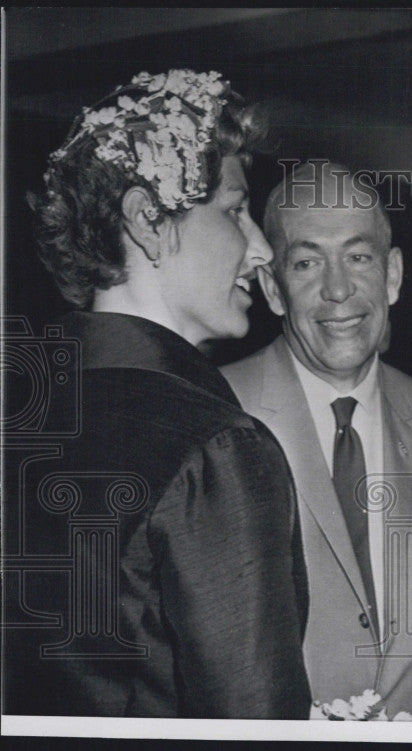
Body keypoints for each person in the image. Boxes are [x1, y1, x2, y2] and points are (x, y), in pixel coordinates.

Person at [3, 69, 311, 718]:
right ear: (148, 220)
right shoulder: (217, 450)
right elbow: (254, 723)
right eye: (234, 210)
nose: (260, 250)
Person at [221, 161, 412, 721]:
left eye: (359, 257)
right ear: (272, 288)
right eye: (306, 262)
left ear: (392, 275)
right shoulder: (218, 416)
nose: (338, 289)